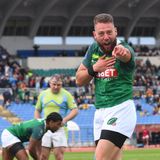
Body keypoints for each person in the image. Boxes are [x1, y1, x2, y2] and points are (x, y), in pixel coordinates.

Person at [76, 13, 137, 160]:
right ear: (94, 35)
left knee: (100, 158)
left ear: (115, 31)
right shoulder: (93, 50)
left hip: (120, 108)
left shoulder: (124, 47)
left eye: (109, 32)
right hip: (100, 112)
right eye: (101, 33)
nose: (106, 37)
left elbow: (126, 55)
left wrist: (122, 52)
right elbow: (79, 79)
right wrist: (94, 68)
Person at [34, 74, 78, 160]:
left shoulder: (67, 95)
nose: (56, 86)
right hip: (45, 129)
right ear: (50, 83)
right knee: (43, 157)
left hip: (60, 129)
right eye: (54, 84)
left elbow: (75, 110)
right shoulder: (43, 94)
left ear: (62, 84)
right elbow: (37, 110)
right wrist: (38, 122)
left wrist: (65, 120)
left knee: (59, 156)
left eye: (58, 85)